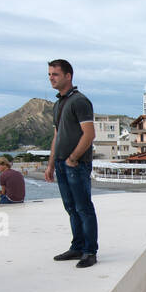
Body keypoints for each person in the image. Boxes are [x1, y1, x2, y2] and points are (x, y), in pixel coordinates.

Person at [43, 59, 99, 268]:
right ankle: (77, 246)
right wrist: (50, 165)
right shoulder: (58, 104)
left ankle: (90, 251)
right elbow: (57, 136)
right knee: (71, 208)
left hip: (76, 164)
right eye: (49, 74)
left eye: (55, 74)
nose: (51, 78)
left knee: (84, 208)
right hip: (60, 164)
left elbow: (89, 134)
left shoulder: (80, 101)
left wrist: (73, 158)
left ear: (68, 76)